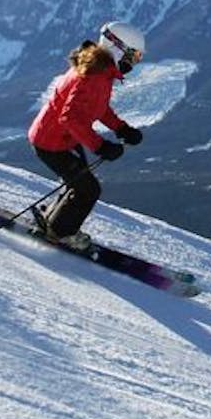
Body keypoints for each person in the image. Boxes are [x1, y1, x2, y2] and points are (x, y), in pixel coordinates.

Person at [26, 21, 146, 250]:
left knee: (79, 184)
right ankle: (59, 233)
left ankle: (54, 223)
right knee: (88, 189)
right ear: (119, 48)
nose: (133, 63)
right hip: (52, 142)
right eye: (134, 56)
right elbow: (70, 118)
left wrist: (121, 128)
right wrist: (100, 146)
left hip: (58, 139)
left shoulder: (99, 69)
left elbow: (97, 108)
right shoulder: (93, 76)